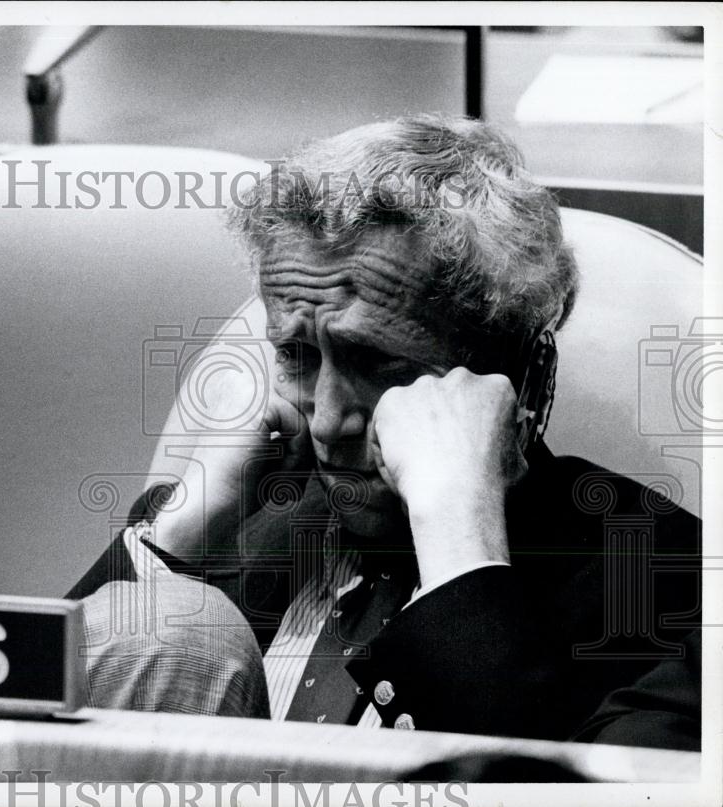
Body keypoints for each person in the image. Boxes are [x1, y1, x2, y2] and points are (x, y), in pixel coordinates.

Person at [68, 114, 700, 747]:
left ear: (526, 377)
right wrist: (185, 529)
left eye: (380, 364)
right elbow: (7, 722)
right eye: (297, 356)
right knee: (166, 626)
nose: (325, 419)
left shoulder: (662, 580)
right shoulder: (231, 524)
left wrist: (460, 543)